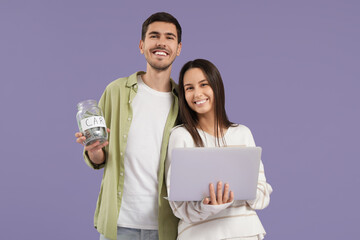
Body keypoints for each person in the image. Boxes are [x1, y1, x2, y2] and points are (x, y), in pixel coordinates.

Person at [75, 12, 182, 240]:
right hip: (119, 224)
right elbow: (100, 158)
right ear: (142, 45)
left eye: (169, 37)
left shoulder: (184, 100)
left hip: (168, 226)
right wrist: (94, 152)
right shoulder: (116, 91)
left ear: (178, 48)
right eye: (154, 36)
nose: (161, 42)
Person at [165, 59, 273, 240]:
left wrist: (238, 190)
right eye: (189, 88)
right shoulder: (181, 136)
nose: (197, 93)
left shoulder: (242, 133)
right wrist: (210, 206)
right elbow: (178, 206)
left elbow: (262, 195)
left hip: (245, 233)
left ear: (216, 87)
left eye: (203, 84)